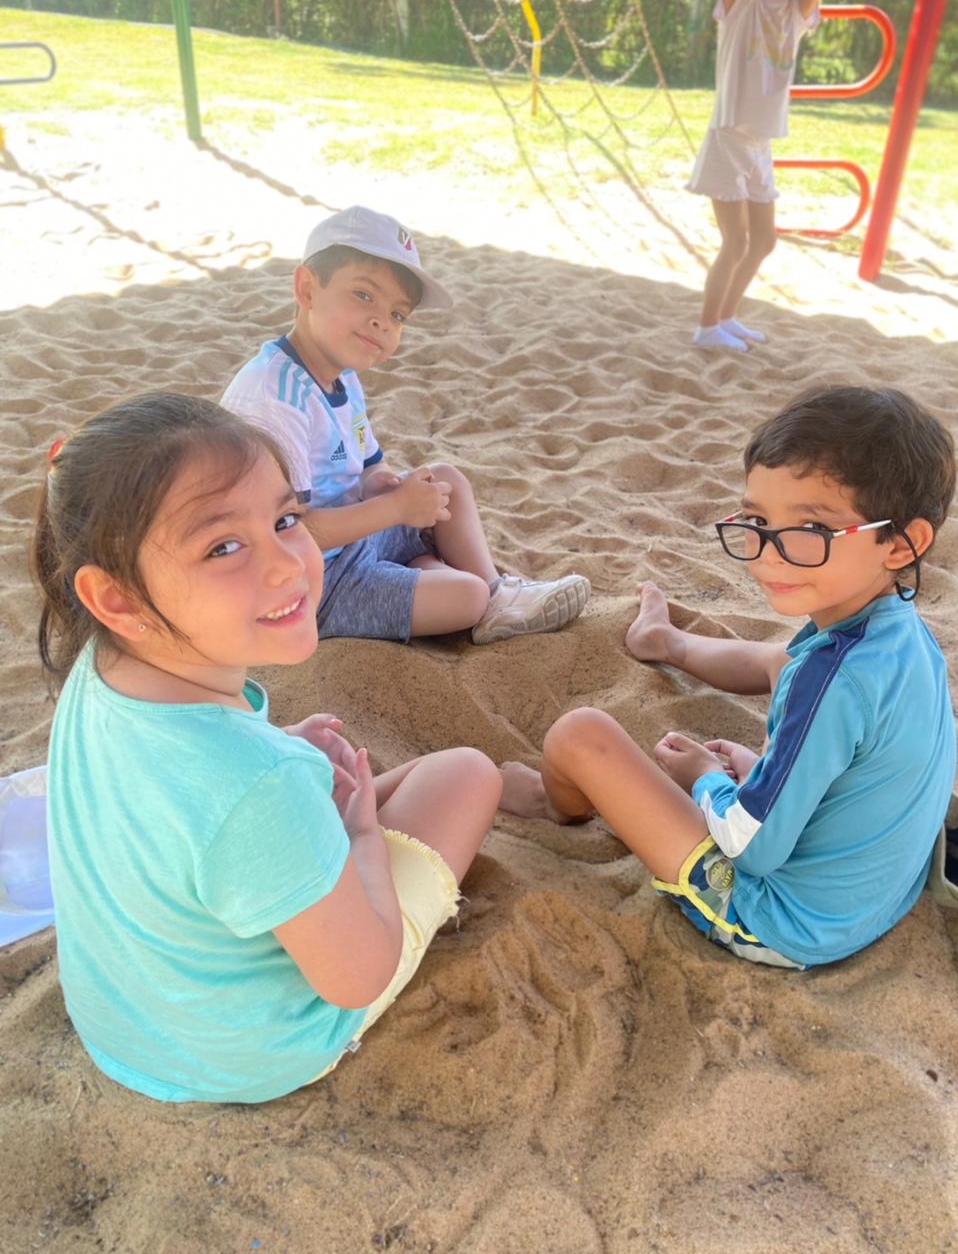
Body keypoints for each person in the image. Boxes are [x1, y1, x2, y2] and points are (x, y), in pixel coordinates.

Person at [34, 393, 502, 1103]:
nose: (288, 564)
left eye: (286, 520)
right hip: (252, 1055)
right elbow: (358, 976)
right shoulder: (259, 787)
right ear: (118, 599)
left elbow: (179, 802)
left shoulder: (100, 671)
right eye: (223, 547)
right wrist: (362, 841)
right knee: (466, 776)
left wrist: (282, 755)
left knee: (336, 792)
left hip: (126, 1024)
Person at [500, 386, 956, 969]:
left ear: (902, 544)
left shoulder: (831, 681)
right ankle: (665, 642)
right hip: (876, 895)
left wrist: (707, 779)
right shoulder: (897, 633)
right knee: (786, 664)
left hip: (782, 920)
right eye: (758, 520)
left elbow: (752, 847)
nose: (768, 553)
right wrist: (758, 773)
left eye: (812, 528)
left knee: (580, 735)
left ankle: (554, 803)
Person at [221, 204, 590, 644]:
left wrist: (383, 484)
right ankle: (474, 593)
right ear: (307, 288)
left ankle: (493, 592)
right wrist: (395, 509)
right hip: (313, 580)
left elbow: (367, 467)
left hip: (355, 539)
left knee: (447, 481)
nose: (381, 321)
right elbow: (285, 534)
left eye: (398, 314)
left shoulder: (341, 375)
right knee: (465, 596)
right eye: (363, 295)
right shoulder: (274, 395)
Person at [688, 0, 829, 351]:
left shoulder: (797, 8)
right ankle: (706, 329)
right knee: (735, 242)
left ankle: (725, 317)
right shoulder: (741, 0)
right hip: (728, 137)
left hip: (760, 143)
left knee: (764, 241)